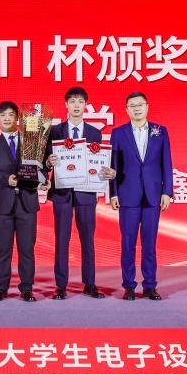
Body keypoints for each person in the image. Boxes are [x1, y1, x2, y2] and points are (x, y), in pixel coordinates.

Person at [44, 86, 116, 299]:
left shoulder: (95, 133)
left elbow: (98, 161)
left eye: (80, 101)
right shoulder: (54, 131)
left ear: (86, 105)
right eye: (72, 101)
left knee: (88, 240)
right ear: (66, 105)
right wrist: (48, 161)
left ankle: (90, 283)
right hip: (62, 192)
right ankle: (61, 285)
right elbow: (44, 160)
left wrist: (104, 172)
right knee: (61, 239)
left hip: (86, 192)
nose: (76, 105)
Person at [109, 91, 173, 301]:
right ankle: (129, 286)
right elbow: (113, 165)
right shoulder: (118, 133)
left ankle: (150, 285)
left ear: (147, 107)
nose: (137, 108)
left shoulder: (160, 131)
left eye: (140, 104)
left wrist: (167, 191)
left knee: (149, 243)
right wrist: (113, 193)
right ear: (126, 110)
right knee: (128, 242)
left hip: (153, 195)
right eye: (132, 105)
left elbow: (166, 163)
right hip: (127, 195)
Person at [0, 101, 49, 301]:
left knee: (27, 249)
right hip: (2, 204)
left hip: (27, 203)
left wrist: (43, 180)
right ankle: (1, 288)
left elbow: (40, 167)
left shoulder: (30, 140)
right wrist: (7, 179)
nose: (7, 118)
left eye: (11, 114)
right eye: (3, 115)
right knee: (3, 249)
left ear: (17, 118)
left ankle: (27, 288)